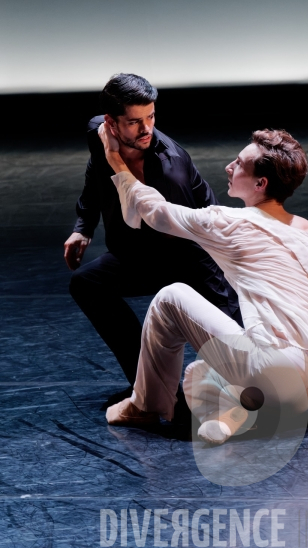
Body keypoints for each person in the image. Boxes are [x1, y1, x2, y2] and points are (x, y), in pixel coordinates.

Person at [100, 123, 308, 445]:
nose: (229, 167)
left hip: (268, 369)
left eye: (239, 164)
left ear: (260, 183)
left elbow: (155, 212)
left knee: (170, 298)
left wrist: (116, 161)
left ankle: (144, 405)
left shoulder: (228, 223)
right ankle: (243, 411)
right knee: (233, 361)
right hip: (306, 388)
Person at [63, 73, 240, 405]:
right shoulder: (96, 133)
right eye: (134, 122)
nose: (146, 129)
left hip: (189, 254)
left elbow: (193, 232)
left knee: (241, 353)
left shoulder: (169, 166)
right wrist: (83, 226)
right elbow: (96, 174)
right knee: (86, 284)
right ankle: (147, 382)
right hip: (137, 253)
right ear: (110, 124)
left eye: (151, 118)